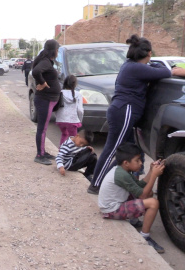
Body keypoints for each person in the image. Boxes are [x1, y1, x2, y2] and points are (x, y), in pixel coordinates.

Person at [87, 34, 185, 194]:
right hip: (124, 111)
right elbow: (169, 72)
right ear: (148, 54)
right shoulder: (136, 68)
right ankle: (95, 184)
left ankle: (115, 182)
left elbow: (156, 70)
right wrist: (176, 70)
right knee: (113, 149)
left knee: (133, 151)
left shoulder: (131, 65)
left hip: (121, 110)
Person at [98, 143, 165, 253]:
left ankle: (133, 220)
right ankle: (145, 236)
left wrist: (151, 171)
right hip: (112, 210)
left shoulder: (121, 170)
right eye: (137, 160)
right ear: (126, 163)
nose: (141, 163)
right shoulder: (122, 175)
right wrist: (154, 176)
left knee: (149, 193)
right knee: (153, 203)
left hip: (113, 204)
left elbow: (139, 186)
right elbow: (142, 195)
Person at [31, 39, 61, 165]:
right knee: (42, 128)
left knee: (44, 128)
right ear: (53, 50)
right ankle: (39, 155)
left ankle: (43, 151)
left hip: (49, 99)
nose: (58, 52)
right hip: (45, 99)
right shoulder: (45, 62)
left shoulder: (47, 61)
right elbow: (36, 72)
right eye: (57, 49)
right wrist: (43, 83)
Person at [55, 75, 83, 146]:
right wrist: (80, 119)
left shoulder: (60, 93)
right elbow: (80, 110)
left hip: (60, 119)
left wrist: (57, 116)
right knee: (74, 138)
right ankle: (72, 153)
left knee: (64, 134)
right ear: (75, 84)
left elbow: (56, 106)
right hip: (72, 120)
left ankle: (61, 151)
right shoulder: (78, 94)